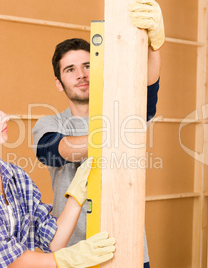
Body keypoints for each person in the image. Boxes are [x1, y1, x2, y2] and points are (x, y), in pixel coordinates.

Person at [32, 1, 165, 267]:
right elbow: (59, 151)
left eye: (87, 65)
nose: (81, 75)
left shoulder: (125, 112)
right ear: (59, 83)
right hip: (73, 253)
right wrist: (118, 134)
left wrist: (153, 46)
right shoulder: (49, 123)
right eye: (70, 70)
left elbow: (146, 86)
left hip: (129, 248)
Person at [0, 84, 115, 267]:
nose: (5, 117)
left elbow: (54, 241)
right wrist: (71, 259)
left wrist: (76, 196)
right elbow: (9, 260)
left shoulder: (15, 177)